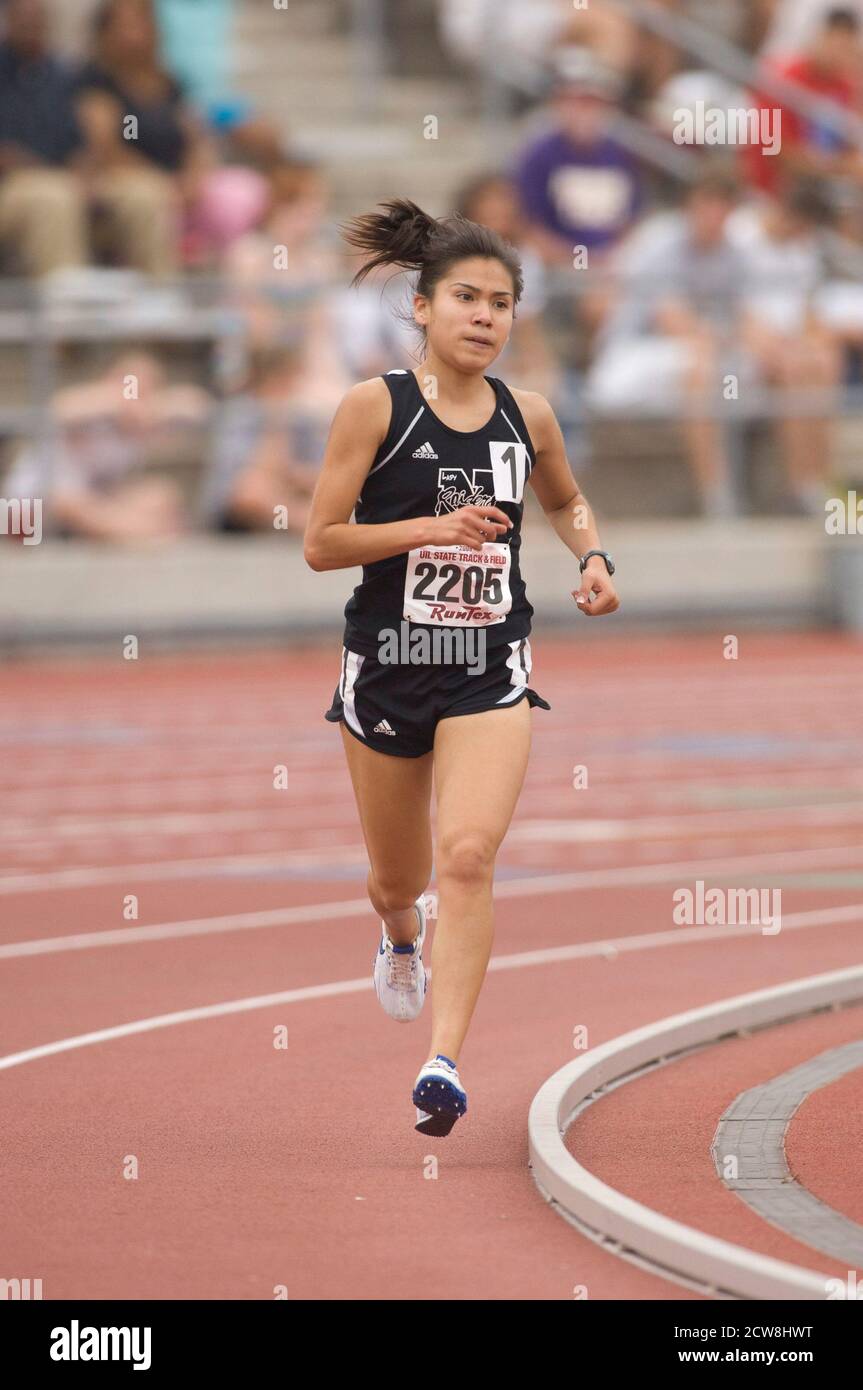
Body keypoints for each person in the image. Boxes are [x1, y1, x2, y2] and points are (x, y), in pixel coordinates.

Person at [303, 197, 620, 1136]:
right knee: (397, 882)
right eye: (466, 299)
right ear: (424, 310)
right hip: (392, 659)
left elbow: (567, 503)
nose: (484, 317)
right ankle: (401, 939)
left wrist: (595, 558)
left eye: (500, 303)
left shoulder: (530, 414)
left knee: (470, 857)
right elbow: (320, 544)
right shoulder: (376, 406)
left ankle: (442, 1062)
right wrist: (431, 527)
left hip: (489, 663)